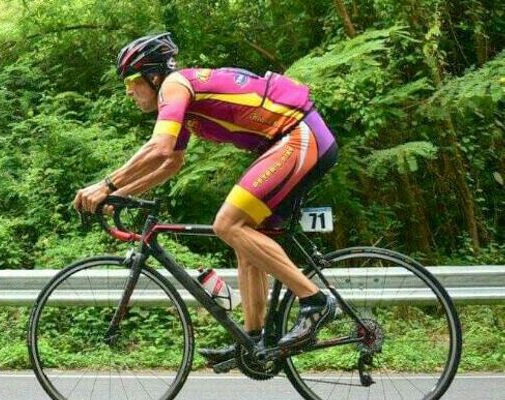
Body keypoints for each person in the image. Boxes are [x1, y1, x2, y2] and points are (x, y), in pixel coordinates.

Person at [73, 32, 341, 367]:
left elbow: (159, 147)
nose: (128, 91)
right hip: (293, 140)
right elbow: (172, 161)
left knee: (227, 224)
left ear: (153, 76)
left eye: (131, 81)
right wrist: (120, 194)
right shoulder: (182, 101)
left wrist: (105, 185)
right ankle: (253, 341)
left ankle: (315, 302)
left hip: (299, 136)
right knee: (245, 240)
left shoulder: (174, 85)